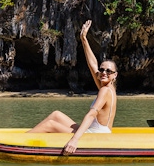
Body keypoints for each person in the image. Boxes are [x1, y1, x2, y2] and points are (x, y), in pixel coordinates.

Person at [26, 20, 118, 155]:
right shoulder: (109, 87)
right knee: (56, 114)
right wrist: (84, 39)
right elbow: (93, 65)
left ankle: (21, 141)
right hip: (97, 131)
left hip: (96, 135)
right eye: (102, 70)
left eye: (108, 71)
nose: (104, 72)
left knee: (50, 125)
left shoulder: (104, 90)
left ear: (114, 75)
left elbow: (92, 114)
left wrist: (74, 140)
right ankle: (27, 136)